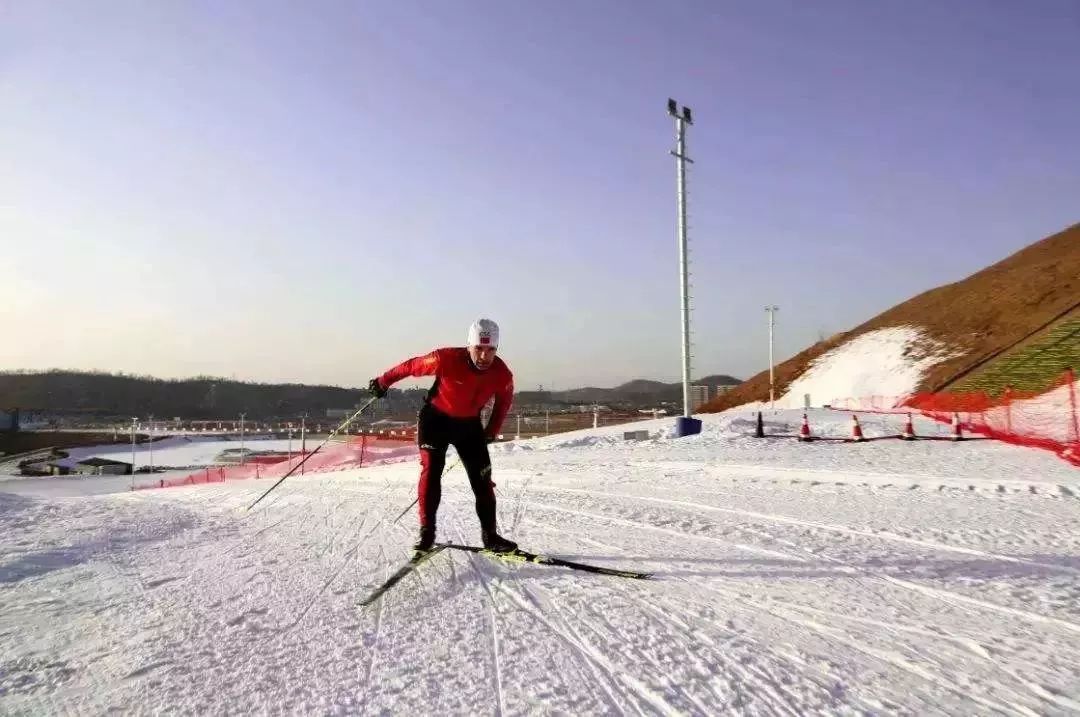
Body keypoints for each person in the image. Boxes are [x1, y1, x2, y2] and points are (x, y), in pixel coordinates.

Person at [369, 318, 518, 553]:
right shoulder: (445, 359)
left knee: (483, 480)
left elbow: (503, 404)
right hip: (435, 421)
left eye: (490, 350)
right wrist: (383, 381)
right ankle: (427, 533)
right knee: (432, 470)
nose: (483, 356)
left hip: (468, 426)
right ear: (469, 346)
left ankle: (490, 537)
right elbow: (411, 366)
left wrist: (492, 431)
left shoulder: (502, 374)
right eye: (478, 348)